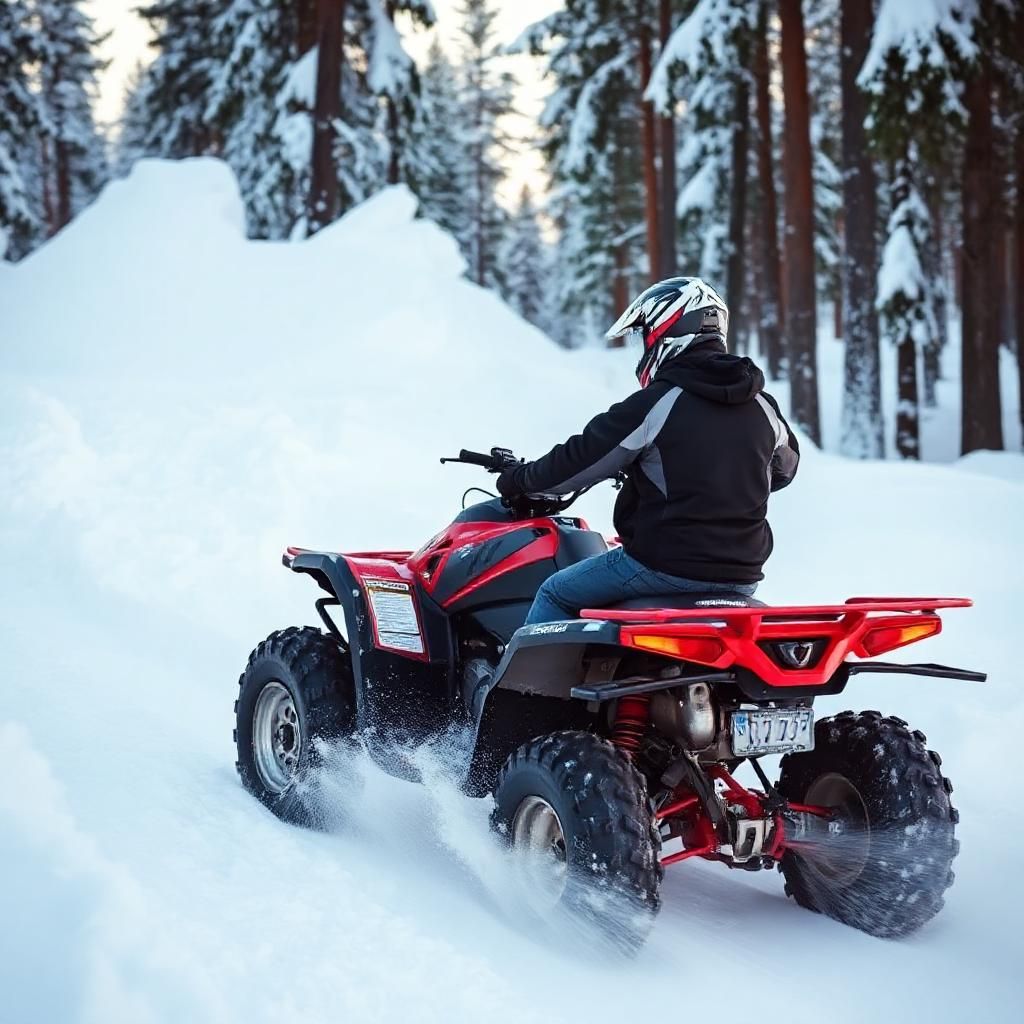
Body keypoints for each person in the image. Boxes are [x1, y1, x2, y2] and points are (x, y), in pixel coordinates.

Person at [496, 277, 800, 626]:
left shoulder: (658, 403)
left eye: (645, 336)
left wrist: (518, 479)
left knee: (555, 592)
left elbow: (580, 460)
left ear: (667, 330)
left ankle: (524, 666)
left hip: (664, 565)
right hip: (742, 576)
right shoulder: (763, 405)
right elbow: (784, 470)